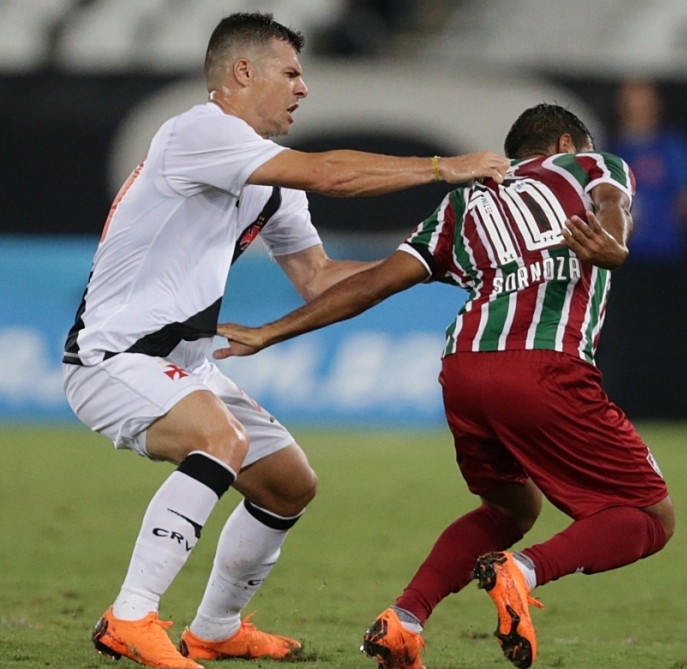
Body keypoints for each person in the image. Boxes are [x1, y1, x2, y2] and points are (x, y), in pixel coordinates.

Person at [62, 12, 507, 669]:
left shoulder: (266, 181)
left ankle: (215, 628)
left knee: (287, 482)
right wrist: (443, 167)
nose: (303, 89)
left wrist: (440, 269)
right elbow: (331, 173)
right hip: (114, 356)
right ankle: (130, 615)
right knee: (220, 438)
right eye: (291, 73)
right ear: (243, 73)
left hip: (182, 361)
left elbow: (319, 276)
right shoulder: (200, 130)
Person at [215, 104, 676, 669]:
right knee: (648, 517)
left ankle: (404, 619)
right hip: (543, 367)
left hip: (462, 368)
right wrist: (615, 243)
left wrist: (269, 332)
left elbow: (373, 284)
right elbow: (614, 203)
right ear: (564, 143)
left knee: (509, 508)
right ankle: (523, 571)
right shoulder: (590, 164)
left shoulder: (464, 202)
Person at [613, 78, 687, 263]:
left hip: (665, 255)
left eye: (643, 98)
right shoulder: (611, 149)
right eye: (631, 98)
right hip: (621, 257)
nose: (637, 105)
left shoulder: (672, 146)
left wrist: (667, 224)